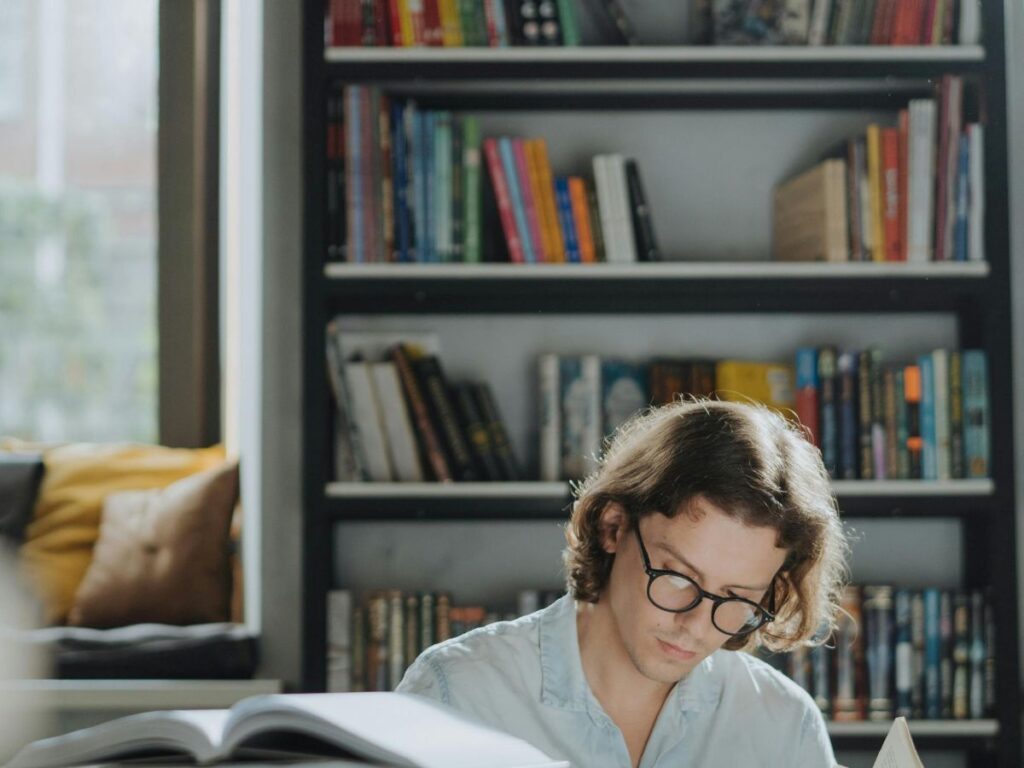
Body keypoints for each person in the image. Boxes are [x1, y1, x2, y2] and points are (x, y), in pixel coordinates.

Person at [397, 399, 849, 767]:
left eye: (737, 598)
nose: (695, 624)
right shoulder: (457, 691)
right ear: (612, 527)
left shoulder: (784, 725)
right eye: (677, 577)